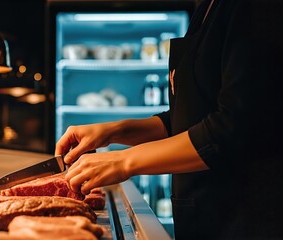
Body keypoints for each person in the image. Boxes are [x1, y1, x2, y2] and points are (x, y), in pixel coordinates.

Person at [55, 0, 283, 239]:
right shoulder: (208, 8)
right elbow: (191, 119)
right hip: (206, 215)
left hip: (245, 218)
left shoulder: (255, 8)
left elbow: (231, 129)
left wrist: (122, 162)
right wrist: (113, 131)